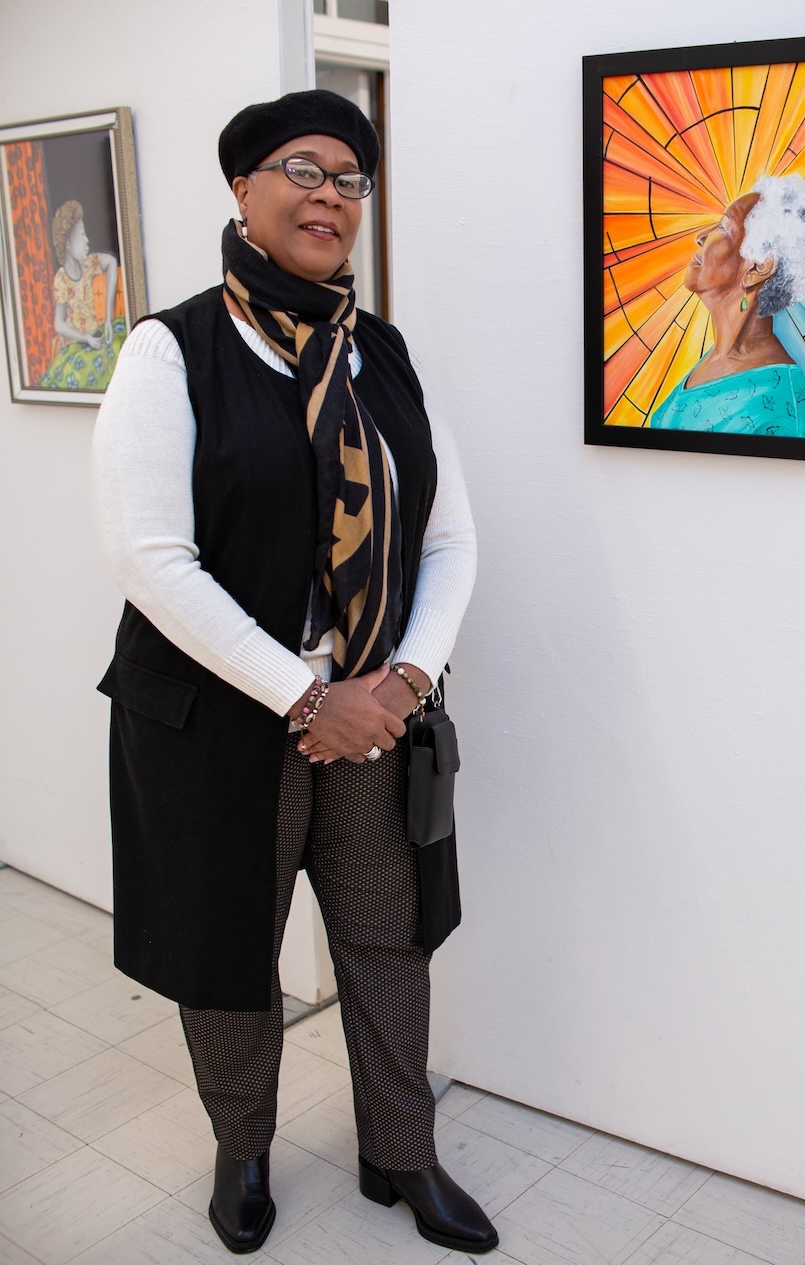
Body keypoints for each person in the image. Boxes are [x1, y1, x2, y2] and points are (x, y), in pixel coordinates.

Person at [92, 89, 495, 1256]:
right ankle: (244, 1147)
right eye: (302, 170)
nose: (330, 196)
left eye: (350, 179)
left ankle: (402, 1151)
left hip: (374, 716)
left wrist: (400, 684)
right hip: (219, 721)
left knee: (386, 935)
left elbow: (451, 536)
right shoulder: (172, 349)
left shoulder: (386, 355)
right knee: (228, 949)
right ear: (243, 189)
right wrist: (309, 695)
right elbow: (149, 559)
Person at [648, 174, 805, 436]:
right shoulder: (716, 357)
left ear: (758, 268)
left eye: (724, 228)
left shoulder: (780, 405)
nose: (701, 236)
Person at [40, 199, 123, 390]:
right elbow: (59, 324)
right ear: (67, 243)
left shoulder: (89, 264)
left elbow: (111, 262)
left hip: (97, 334)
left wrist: (108, 318)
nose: (87, 241)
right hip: (76, 343)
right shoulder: (61, 279)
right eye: (81, 235)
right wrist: (85, 337)